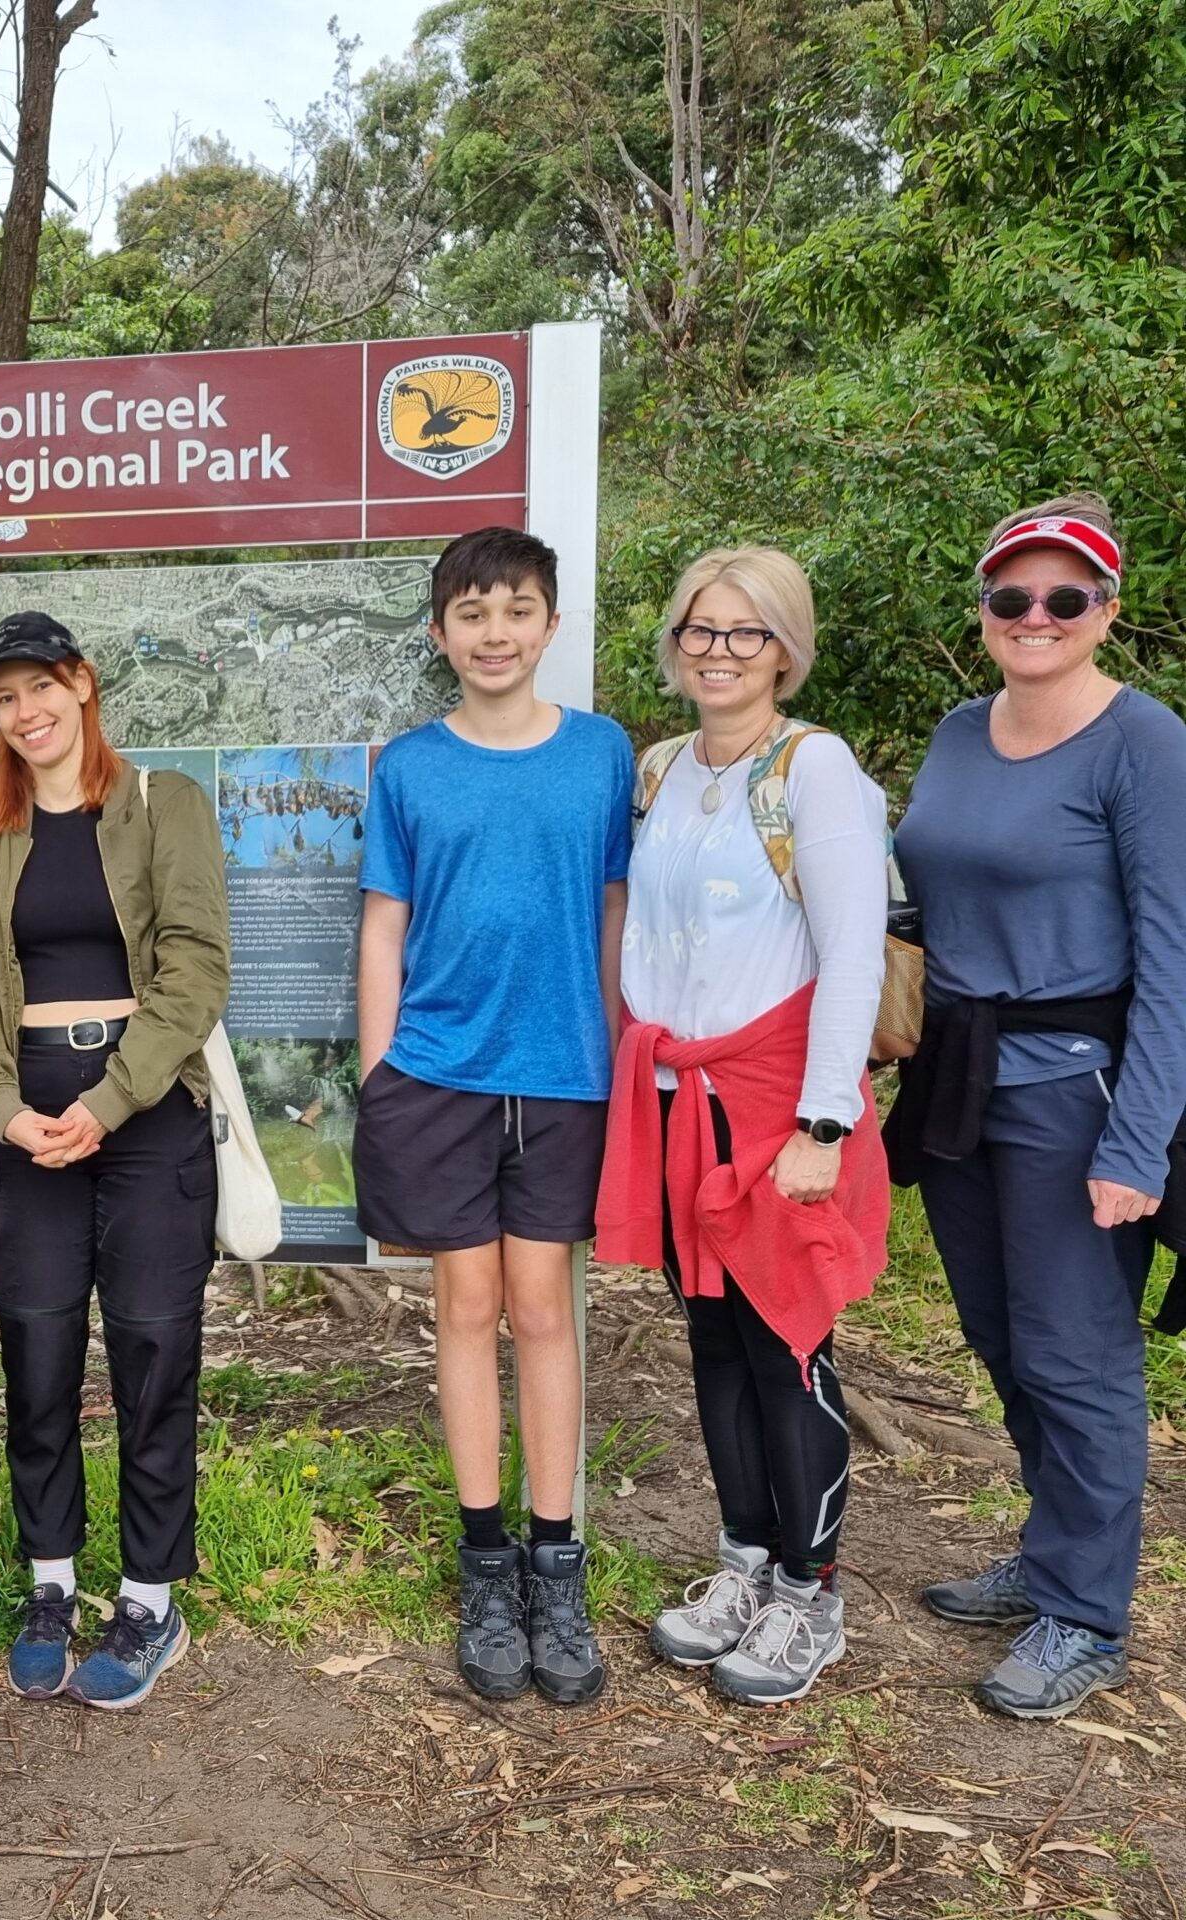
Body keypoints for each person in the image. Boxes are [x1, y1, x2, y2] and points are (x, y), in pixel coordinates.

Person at [885, 494, 1186, 1719]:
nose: (1036, 617)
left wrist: (1139, 1142)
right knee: (1003, 1337)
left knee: (1078, 1354)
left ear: (1105, 614)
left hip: (1078, 1083)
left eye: (1066, 598)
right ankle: (1053, 1545)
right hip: (956, 1075)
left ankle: (1085, 1613)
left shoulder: (1143, 744)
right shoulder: (961, 730)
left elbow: (1174, 956)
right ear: (986, 612)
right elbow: (922, 898)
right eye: (1013, 597)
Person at [594, 548, 890, 1707]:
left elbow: (853, 950)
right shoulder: (662, 769)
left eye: (745, 632)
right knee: (711, 1343)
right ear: (675, 643)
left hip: (775, 1104)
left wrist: (825, 1121)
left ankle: (812, 1596)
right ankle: (743, 1566)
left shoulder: (814, 770)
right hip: (677, 1104)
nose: (718, 650)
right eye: (700, 629)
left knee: (785, 1344)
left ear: (785, 648)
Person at [352, 526, 633, 1707]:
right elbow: (382, 928)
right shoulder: (410, 767)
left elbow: (615, 912)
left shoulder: (604, 754)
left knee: (542, 1311)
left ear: (551, 626)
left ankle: (554, 1562)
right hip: (438, 1073)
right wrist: (378, 1076)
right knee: (465, 1310)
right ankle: (484, 1561)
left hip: (566, 1073)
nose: (494, 634)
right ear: (439, 634)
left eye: (516, 610)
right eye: (471, 615)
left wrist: (621, 1057)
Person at [0, 611, 231, 1711]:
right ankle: (50, 1580)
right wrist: (4, 1112)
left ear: (82, 683)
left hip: (144, 1113)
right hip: (26, 1126)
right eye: (4, 699)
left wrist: (108, 1101)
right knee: (38, 1352)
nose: (26, 713)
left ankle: (150, 1593)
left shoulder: (165, 805)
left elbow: (198, 968)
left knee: (154, 1355)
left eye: (40, 687)